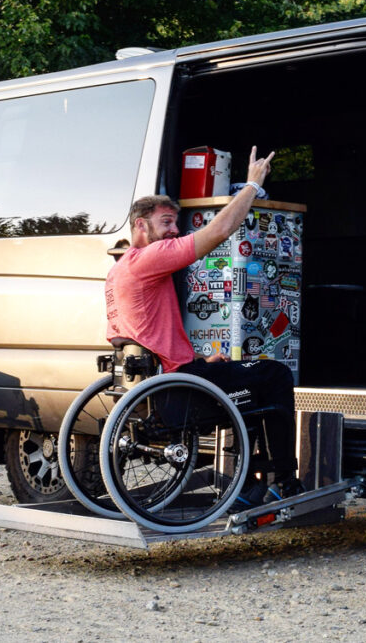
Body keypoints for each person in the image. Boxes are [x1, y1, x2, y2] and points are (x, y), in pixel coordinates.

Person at [105, 147, 303, 508]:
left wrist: (195, 358)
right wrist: (253, 186)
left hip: (166, 381)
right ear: (140, 225)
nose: (174, 230)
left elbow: (141, 335)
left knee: (247, 376)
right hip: (179, 386)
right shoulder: (149, 258)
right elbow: (221, 230)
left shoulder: (118, 270)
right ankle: (285, 481)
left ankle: (250, 481)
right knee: (274, 375)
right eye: (166, 222)